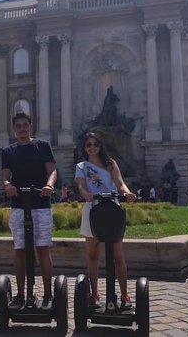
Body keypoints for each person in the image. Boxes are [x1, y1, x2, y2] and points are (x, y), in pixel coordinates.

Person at [1, 112, 57, 311]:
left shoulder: (42, 147)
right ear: (14, 129)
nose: (22, 129)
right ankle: (21, 294)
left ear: (30, 127)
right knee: (20, 251)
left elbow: (52, 171)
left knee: (42, 249)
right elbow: (6, 176)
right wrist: (8, 186)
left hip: (40, 204)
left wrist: (49, 186)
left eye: (25, 125)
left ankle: (49, 294)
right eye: (19, 126)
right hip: (18, 205)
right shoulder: (8, 152)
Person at [75, 131, 137, 308]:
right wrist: (85, 193)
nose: (92, 147)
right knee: (93, 255)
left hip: (111, 208)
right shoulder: (81, 166)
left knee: (118, 256)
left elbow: (120, 183)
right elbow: (80, 184)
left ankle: (125, 295)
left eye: (95, 144)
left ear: (101, 146)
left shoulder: (111, 164)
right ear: (85, 148)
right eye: (89, 145)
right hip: (92, 209)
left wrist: (127, 193)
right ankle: (94, 294)